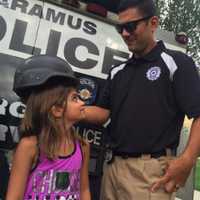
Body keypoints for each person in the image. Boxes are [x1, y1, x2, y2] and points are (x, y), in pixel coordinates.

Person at [83, 0, 200, 199]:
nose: (125, 34)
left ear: (153, 23)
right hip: (112, 168)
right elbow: (103, 113)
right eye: (120, 28)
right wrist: (64, 109)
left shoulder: (176, 62)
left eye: (131, 26)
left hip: (150, 173)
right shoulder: (118, 72)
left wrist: (187, 159)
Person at [6, 55, 91, 200]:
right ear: (57, 110)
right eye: (75, 98)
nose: (82, 103)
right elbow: (14, 197)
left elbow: (84, 190)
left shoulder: (83, 146)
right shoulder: (30, 146)